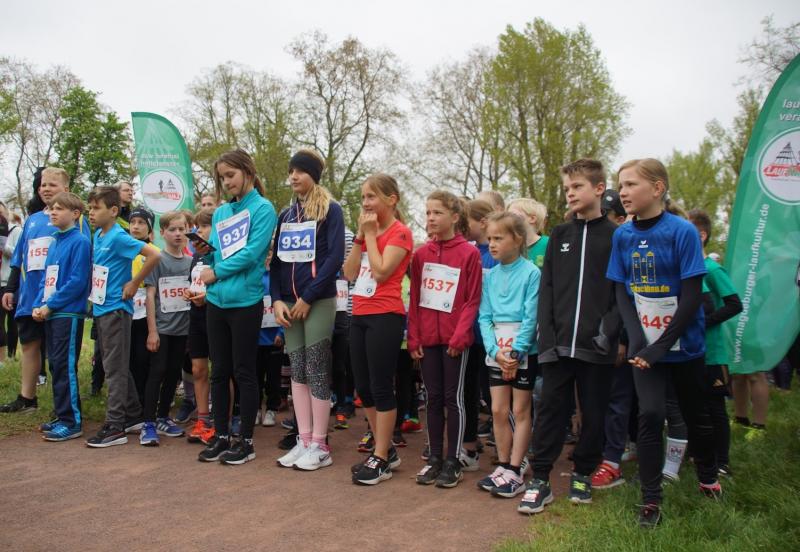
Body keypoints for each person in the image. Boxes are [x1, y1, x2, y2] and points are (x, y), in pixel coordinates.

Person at [607, 158, 720, 528]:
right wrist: (639, 339)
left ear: (657, 188)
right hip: (645, 346)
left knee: (695, 414)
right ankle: (651, 500)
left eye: (631, 184)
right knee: (651, 414)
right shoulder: (622, 235)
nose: (623, 192)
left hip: (683, 344)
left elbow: (692, 295)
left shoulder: (681, 231)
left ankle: (708, 477)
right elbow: (621, 291)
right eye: (620, 185)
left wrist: (661, 344)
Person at [520, 159, 620, 514]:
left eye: (577, 186)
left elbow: (620, 293)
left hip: (597, 347)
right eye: (566, 189)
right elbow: (547, 289)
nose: (570, 193)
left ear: (598, 188)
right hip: (557, 346)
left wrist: (609, 335)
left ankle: (582, 474)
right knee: (550, 410)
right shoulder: (560, 235)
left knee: (593, 412)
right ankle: (540, 479)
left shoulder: (616, 237)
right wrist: (546, 337)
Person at [193, 149, 277, 465]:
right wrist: (206, 252)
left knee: (244, 371)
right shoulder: (221, 213)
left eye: (230, 175)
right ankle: (221, 436)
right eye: (222, 177)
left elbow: (252, 253)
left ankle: (246, 442)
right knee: (219, 372)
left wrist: (216, 272)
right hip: (217, 301)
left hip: (246, 301)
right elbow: (219, 254)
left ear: (248, 172)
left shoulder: (263, 209)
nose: (226, 182)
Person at [270, 149, 344, 470]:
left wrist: (309, 297)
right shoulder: (285, 216)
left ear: (313, 175)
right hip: (288, 303)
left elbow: (335, 258)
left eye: (300, 170)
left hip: (317, 301)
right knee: (297, 371)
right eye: (291, 171)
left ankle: (320, 444)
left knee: (316, 369)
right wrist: (276, 300)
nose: (294, 176)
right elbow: (276, 263)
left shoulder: (331, 210)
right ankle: (303, 439)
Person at [408, 191, 482, 488]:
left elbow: (472, 299)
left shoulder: (469, 254)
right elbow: (415, 299)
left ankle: (454, 460)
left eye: (437, 212)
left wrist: (461, 334)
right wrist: (414, 337)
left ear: (454, 216)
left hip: (454, 341)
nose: (431, 218)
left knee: (454, 398)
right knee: (433, 398)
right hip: (427, 339)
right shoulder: (421, 255)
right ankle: (435, 457)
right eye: (428, 213)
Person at [343, 174, 413, 485]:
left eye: (371, 196)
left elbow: (382, 272)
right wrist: (360, 238)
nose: (366, 203)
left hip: (385, 315)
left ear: (391, 199)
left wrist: (371, 236)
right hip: (359, 313)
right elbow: (349, 273)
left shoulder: (401, 233)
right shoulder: (367, 232)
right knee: (363, 387)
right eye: (363, 198)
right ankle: (384, 449)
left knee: (381, 385)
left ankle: (382, 455)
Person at [85, 186, 161, 447]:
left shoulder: (118, 236)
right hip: (101, 308)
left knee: (114, 369)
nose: (91, 213)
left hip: (116, 310)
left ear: (114, 211)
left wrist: (134, 282)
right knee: (114, 365)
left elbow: (154, 254)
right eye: (90, 208)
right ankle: (132, 414)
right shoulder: (99, 235)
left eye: (96, 208)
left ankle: (115, 425)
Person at [472, 211, 540, 499]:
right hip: (497, 352)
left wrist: (516, 353)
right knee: (498, 410)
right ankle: (502, 465)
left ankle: (516, 468)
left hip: (521, 352)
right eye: (490, 238)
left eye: (499, 238)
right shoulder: (490, 275)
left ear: (518, 239)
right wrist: (494, 350)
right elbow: (484, 316)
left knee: (520, 410)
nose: (492, 244)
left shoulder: (532, 273)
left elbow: (531, 316)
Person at [0, 168, 76, 414]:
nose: (46, 189)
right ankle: (27, 398)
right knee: (29, 344)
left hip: (58, 298)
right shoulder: (32, 219)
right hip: (30, 295)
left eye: (52, 185)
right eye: (43, 185)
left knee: (58, 353)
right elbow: (19, 258)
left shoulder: (75, 220)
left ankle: (63, 405)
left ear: (65, 189)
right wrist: (11, 288)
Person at [31, 192, 91, 441]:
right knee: (55, 365)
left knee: (65, 366)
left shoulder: (80, 242)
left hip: (67, 313)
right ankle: (61, 414)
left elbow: (77, 281)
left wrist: (51, 305)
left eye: (58, 208)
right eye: (51, 208)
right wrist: (39, 304)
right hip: (51, 313)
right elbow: (47, 278)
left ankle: (72, 422)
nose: (52, 212)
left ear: (75, 214)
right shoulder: (55, 241)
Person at [689, 208, 742, 475]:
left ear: (701, 235)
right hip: (691, 353)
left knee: (715, 408)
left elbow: (734, 304)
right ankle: (698, 455)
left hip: (713, 353)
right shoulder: (687, 270)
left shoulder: (712, 269)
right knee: (694, 406)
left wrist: (704, 322)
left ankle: (722, 462)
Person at [138, 211, 192, 445]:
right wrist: (152, 331)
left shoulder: (191, 262)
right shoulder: (157, 259)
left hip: (183, 330)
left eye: (182, 229)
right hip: (161, 328)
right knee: (157, 371)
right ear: (162, 233)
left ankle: (162, 417)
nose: (178, 234)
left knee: (173, 372)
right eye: (172, 230)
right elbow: (150, 296)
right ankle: (148, 423)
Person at [186, 208, 215, 444]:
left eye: (204, 226)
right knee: (198, 369)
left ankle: (223, 420)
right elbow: (194, 282)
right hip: (195, 316)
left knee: (222, 371)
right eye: (197, 227)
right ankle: (203, 419)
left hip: (216, 314)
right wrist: (190, 293)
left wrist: (208, 297)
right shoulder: (196, 256)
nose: (199, 232)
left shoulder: (222, 255)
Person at [128, 207, 158, 406]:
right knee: (129, 359)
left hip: (147, 316)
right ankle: (131, 400)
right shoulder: (125, 250)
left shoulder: (154, 252)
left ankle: (145, 401)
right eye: (133, 222)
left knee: (143, 359)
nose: (136, 227)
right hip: (126, 313)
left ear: (150, 229)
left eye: (141, 223)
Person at [0, 202, 21, 364]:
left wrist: (3, 245)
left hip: (10, 282)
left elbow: (19, 255)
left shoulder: (16, 230)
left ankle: (11, 354)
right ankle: (2, 357)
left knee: (12, 321)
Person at [507, 198, 549, 269]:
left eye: (513, 215)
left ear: (532, 219)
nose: (507, 220)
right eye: (507, 216)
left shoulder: (549, 244)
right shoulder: (508, 246)